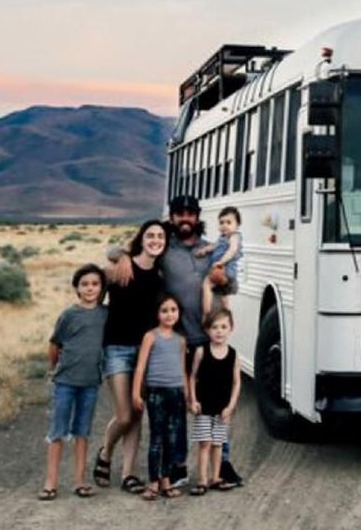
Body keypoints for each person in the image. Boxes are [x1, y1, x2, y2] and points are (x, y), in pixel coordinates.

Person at [110, 195, 244, 489]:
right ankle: (178, 466)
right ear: (171, 218)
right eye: (179, 214)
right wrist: (120, 256)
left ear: (197, 217)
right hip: (179, 341)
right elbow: (119, 250)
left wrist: (225, 282)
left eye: (190, 214)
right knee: (180, 406)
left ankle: (222, 465)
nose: (185, 219)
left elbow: (232, 281)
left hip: (209, 340)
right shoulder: (164, 250)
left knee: (215, 403)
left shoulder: (212, 248)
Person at [93, 219, 166, 494]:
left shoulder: (160, 277)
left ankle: (128, 474)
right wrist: (120, 254)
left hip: (146, 352)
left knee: (137, 411)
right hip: (117, 348)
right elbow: (94, 300)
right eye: (150, 235)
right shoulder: (118, 268)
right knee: (124, 415)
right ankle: (106, 451)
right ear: (141, 238)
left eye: (160, 236)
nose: (155, 240)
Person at [38, 264, 108, 501]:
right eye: (85, 284)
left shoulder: (105, 314)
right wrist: (54, 369)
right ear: (77, 288)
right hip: (66, 381)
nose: (90, 288)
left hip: (90, 382)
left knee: (82, 432)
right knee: (58, 431)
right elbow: (54, 344)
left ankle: (80, 481)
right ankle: (50, 483)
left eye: (95, 284)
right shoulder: (69, 315)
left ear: (101, 288)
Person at [132, 294, 189, 500]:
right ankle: (153, 481)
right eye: (164, 310)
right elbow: (140, 367)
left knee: (172, 438)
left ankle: (166, 480)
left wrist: (188, 395)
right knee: (157, 437)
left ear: (179, 313)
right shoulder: (151, 336)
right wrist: (136, 392)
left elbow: (183, 370)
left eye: (173, 310)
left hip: (176, 392)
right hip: (156, 392)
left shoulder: (181, 340)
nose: (169, 314)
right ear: (157, 313)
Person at [188, 308, 241, 495]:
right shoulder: (202, 351)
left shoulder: (233, 355)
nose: (219, 331)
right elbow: (193, 377)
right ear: (208, 330)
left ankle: (215, 477)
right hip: (204, 406)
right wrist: (193, 400)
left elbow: (236, 382)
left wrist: (231, 406)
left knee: (218, 444)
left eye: (224, 327)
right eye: (215, 327)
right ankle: (202, 480)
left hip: (222, 409)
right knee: (205, 443)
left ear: (231, 329)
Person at [197, 206, 243, 314]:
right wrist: (204, 250)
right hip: (223, 270)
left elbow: (232, 250)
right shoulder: (222, 238)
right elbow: (214, 246)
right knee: (223, 295)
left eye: (228, 222)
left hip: (226, 269)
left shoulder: (234, 236)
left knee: (207, 284)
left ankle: (207, 313)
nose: (224, 226)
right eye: (221, 222)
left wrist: (221, 262)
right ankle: (226, 313)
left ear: (237, 225)